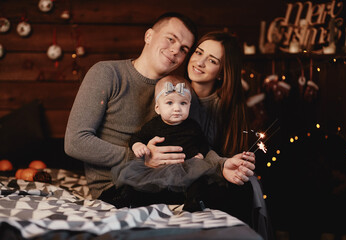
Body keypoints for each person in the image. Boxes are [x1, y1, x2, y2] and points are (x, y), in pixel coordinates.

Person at [64, 11, 255, 210]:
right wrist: (139, 157)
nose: (175, 50)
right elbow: (75, 141)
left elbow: (195, 143)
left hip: (171, 182)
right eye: (170, 39)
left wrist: (222, 165)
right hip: (120, 186)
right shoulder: (108, 73)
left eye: (183, 49)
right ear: (148, 36)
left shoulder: (180, 92)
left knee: (240, 189)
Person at [185, 30, 273, 239]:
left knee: (241, 190)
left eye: (212, 60)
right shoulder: (172, 94)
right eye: (198, 52)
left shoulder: (228, 107)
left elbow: (231, 152)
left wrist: (243, 161)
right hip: (182, 176)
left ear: (223, 71)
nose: (200, 62)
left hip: (216, 178)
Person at [117, 75, 214, 194]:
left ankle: (194, 200)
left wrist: (201, 154)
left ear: (189, 105)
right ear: (158, 108)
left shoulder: (193, 126)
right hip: (159, 169)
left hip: (188, 168)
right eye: (169, 103)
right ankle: (129, 197)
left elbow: (203, 142)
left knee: (200, 182)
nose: (177, 108)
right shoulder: (153, 125)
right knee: (139, 184)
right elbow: (137, 137)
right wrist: (137, 145)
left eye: (183, 103)